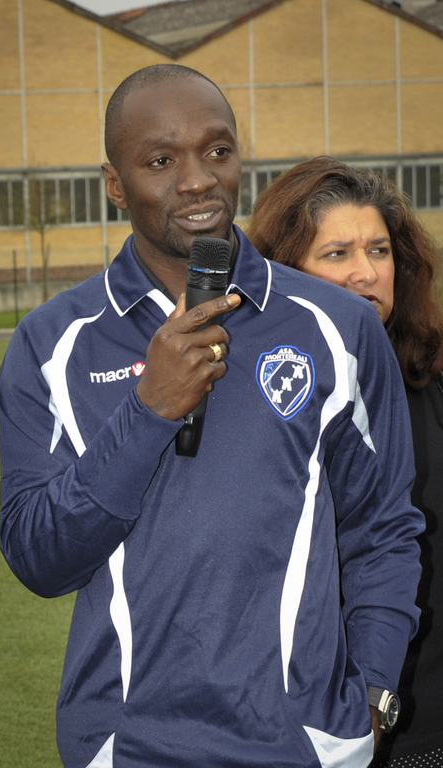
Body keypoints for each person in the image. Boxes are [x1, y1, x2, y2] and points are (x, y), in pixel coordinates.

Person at [0, 68, 424, 768]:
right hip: (128, 750)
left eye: (217, 151)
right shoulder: (51, 345)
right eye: (162, 160)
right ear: (115, 183)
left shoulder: (338, 327)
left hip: (307, 748)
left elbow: (383, 530)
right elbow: (39, 559)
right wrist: (148, 412)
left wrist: (373, 697)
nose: (198, 181)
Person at [247, 155, 443, 767]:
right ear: (284, 272)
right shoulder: (254, 401)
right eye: (337, 254)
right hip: (305, 724)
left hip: (426, 722)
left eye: (379, 251)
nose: (366, 272)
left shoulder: (432, 381)